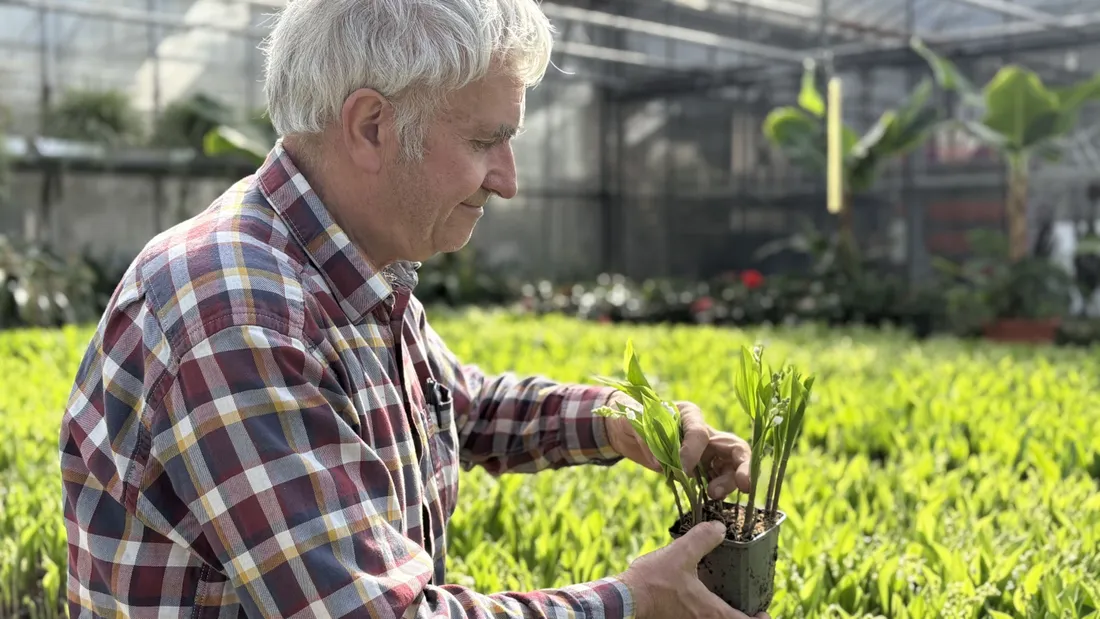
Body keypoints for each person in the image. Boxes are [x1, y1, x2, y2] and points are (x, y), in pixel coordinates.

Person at [58, 1, 770, 618]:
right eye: (486, 140)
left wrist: (614, 422)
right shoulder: (237, 315)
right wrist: (635, 598)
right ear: (371, 125)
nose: (508, 180)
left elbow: (459, 405)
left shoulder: (342, 262)